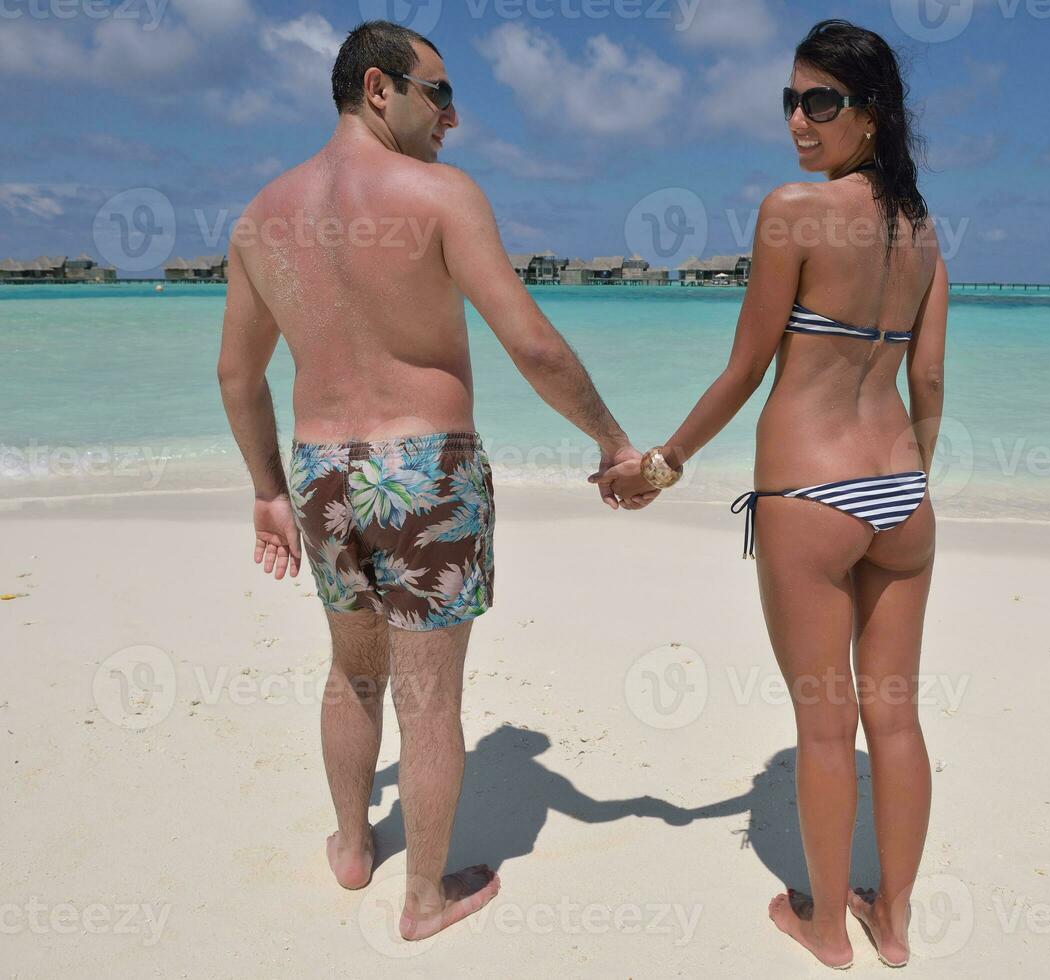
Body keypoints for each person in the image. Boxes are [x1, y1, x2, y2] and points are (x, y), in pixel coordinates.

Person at [217, 20, 648, 943]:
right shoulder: (441, 197)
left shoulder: (261, 217)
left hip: (321, 475)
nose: (454, 116)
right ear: (381, 88)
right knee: (431, 700)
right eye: (440, 93)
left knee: (351, 672)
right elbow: (529, 341)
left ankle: (348, 846)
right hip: (427, 473)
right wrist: (612, 440)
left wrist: (265, 491)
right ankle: (423, 899)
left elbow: (237, 375)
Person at [596, 19, 948, 970]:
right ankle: (896, 920)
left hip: (809, 496)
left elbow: (746, 368)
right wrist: (909, 479)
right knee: (898, 720)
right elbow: (928, 389)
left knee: (824, 728)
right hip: (901, 501)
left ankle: (826, 925)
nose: (797, 121)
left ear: (870, 114)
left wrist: (660, 465)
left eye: (820, 102)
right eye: (788, 101)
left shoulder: (793, 210)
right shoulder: (920, 230)